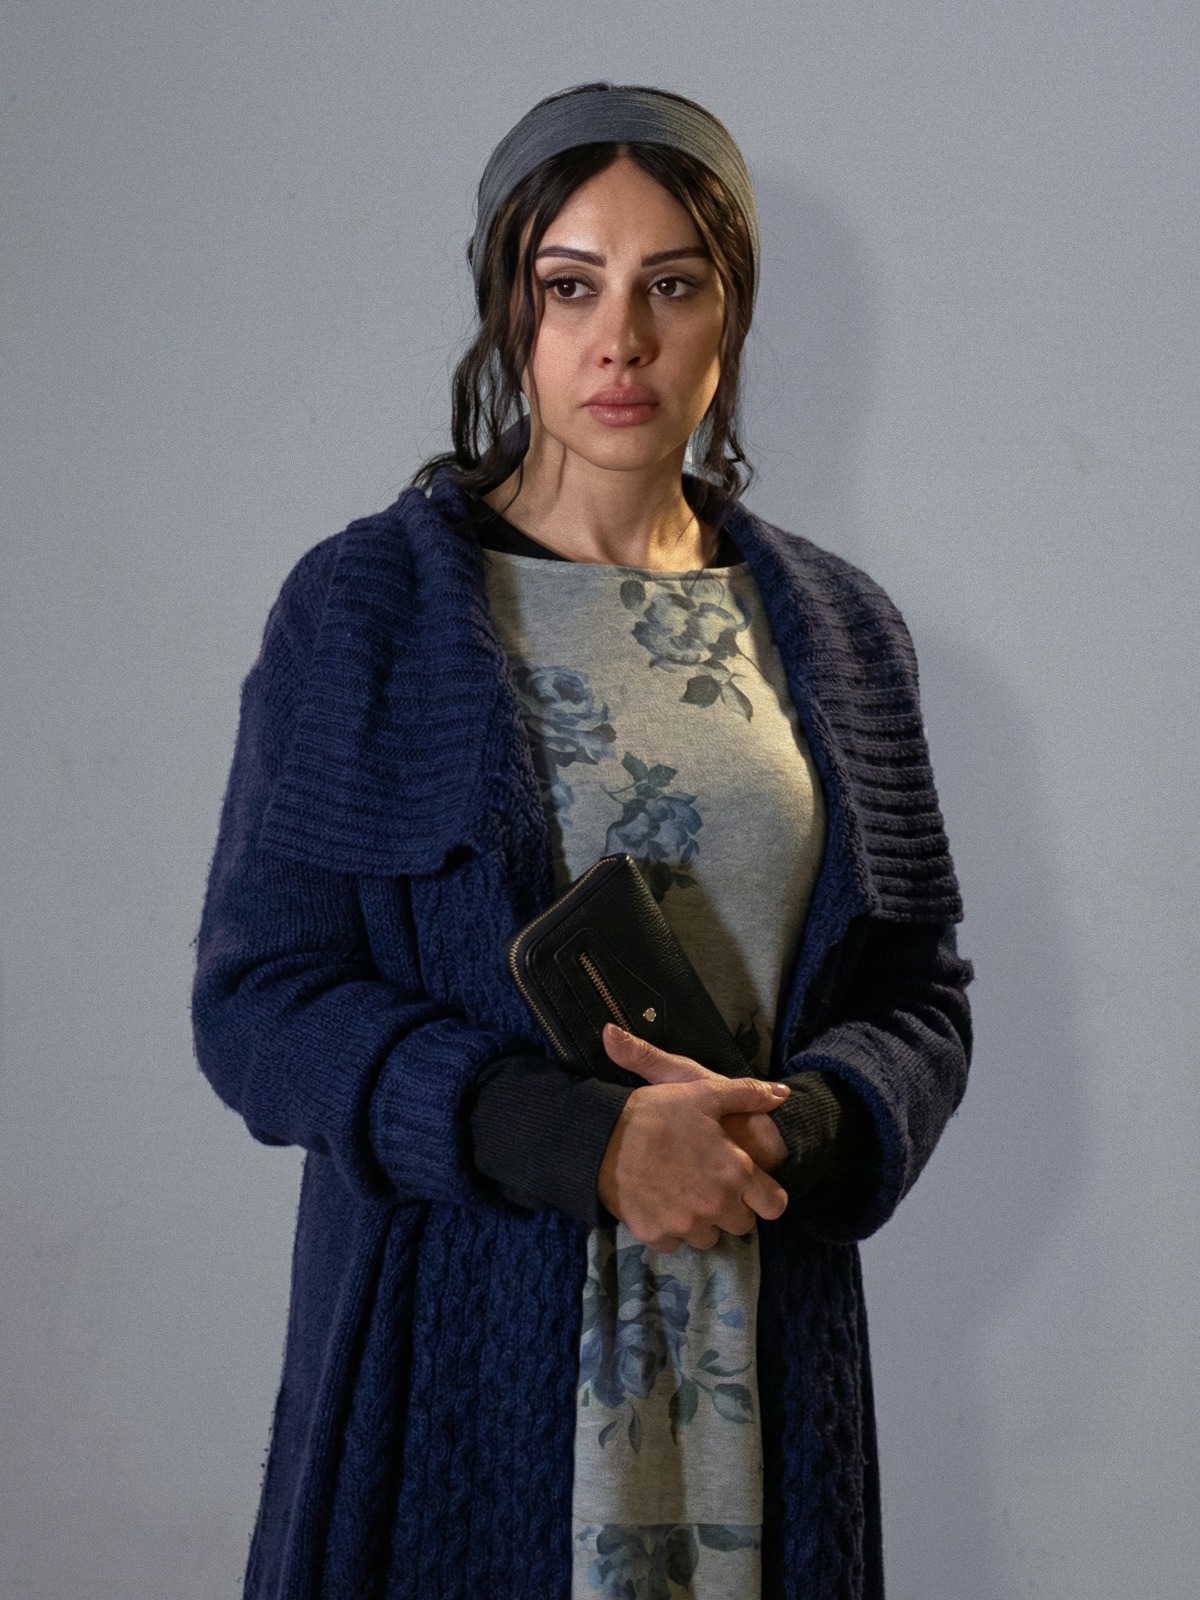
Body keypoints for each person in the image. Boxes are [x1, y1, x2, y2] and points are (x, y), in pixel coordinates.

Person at [192, 80, 973, 1600]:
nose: (621, 339)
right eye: (572, 286)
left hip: (760, 1355)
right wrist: (581, 1142)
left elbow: (918, 997)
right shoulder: (369, 610)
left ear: (730, 315)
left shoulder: (841, 632)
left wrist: (800, 1131)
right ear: (512, 310)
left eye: (672, 285)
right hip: (455, 1356)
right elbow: (261, 1000)